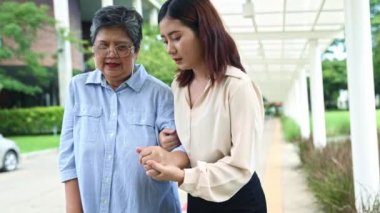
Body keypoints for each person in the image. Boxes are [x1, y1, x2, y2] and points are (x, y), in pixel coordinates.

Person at [138, 0, 267, 212]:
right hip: (198, 199)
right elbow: (196, 149)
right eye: (165, 41)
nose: (170, 49)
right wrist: (169, 150)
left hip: (239, 201)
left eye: (177, 37)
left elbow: (241, 166)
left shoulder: (237, 86)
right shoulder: (178, 87)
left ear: (204, 31)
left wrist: (182, 176)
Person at [58, 5, 187, 213]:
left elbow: (185, 149)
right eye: (103, 45)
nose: (111, 54)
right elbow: (68, 157)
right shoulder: (77, 88)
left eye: (121, 46)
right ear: (93, 48)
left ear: (136, 50)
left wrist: (172, 144)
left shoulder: (162, 94)